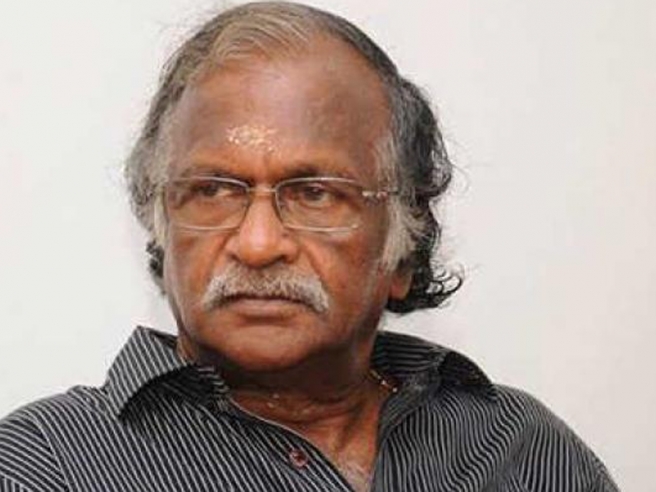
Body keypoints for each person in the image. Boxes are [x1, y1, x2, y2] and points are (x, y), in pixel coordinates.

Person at [0, 2, 618, 491]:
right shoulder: (43, 468)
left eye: (315, 195)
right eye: (212, 191)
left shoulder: (520, 450)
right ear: (162, 226)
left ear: (402, 249)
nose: (258, 244)